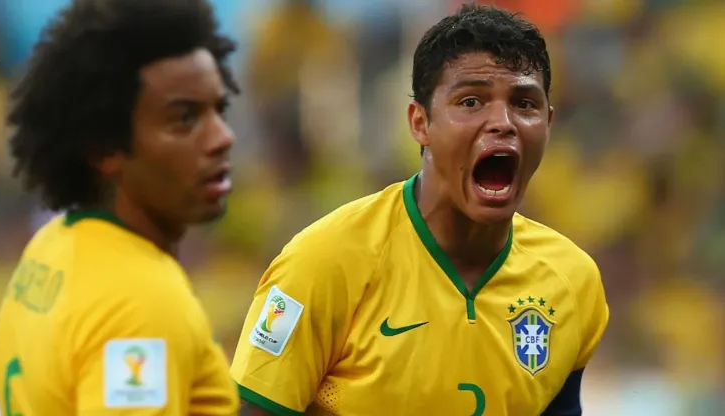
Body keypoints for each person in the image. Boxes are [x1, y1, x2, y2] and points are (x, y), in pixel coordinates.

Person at [231, 3, 608, 416]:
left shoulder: (573, 282)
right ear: (420, 123)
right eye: (471, 101)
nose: (503, 122)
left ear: (549, 122)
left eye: (524, 104)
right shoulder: (323, 263)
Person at [0, 0, 241, 414]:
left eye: (219, 109)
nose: (222, 137)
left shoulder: (49, 250)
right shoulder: (142, 304)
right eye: (184, 118)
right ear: (103, 146)